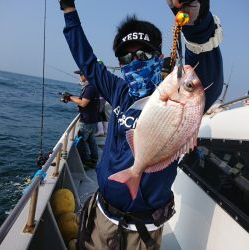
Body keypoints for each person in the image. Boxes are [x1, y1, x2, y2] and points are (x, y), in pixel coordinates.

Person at [58, 0, 224, 249]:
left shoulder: (175, 94)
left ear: (159, 57)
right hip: (102, 215)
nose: (135, 61)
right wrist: (69, 11)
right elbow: (88, 63)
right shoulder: (118, 89)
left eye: (143, 54)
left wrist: (196, 21)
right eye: (126, 57)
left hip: (143, 232)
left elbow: (205, 77)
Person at [60, 71, 100, 168]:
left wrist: (69, 97)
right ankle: (94, 159)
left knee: (82, 141)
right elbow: (84, 100)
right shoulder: (92, 86)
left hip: (87, 121)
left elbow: (83, 103)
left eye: (80, 75)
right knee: (91, 139)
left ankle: (87, 161)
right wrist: (71, 98)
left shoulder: (90, 87)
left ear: (85, 76)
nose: (79, 77)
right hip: (92, 119)